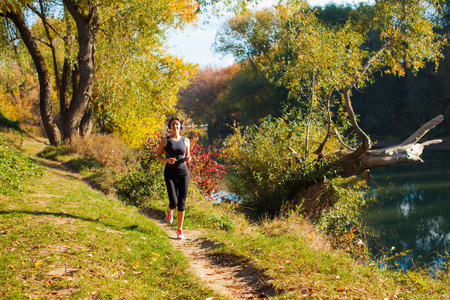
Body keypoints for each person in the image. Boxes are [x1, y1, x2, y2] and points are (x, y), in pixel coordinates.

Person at [156, 117, 191, 239]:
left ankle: (180, 229)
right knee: (174, 202)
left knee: (182, 203)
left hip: (183, 173)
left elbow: (188, 155)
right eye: (172, 124)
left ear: (180, 126)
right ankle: (169, 211)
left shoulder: (186, 141)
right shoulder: (165, 140)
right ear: (170, 126)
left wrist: (189, 158)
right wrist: (167, 160)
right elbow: (158, 156)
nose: (175, 126)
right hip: (170, 173)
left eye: (177, 124)